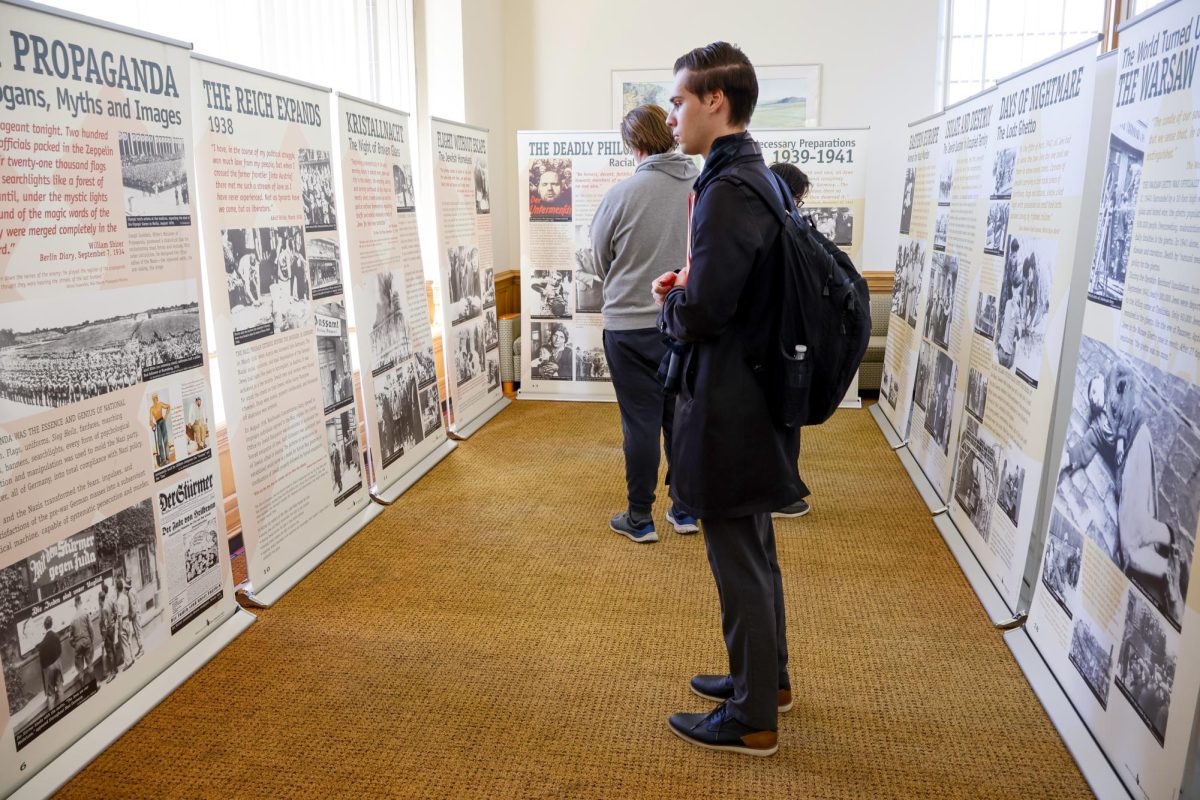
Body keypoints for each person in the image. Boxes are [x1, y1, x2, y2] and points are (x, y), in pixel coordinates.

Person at [653, 41, 804, 757]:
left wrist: (673, 300)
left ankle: (752, 720)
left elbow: (707, 310)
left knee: (737, 557)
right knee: (756, 550)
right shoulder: (757, 177)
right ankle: (764, 683)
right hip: (753, 393)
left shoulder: (727, 187)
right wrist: (692, 286)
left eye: (680, 99)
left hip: (729, 404)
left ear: (717, 101)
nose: (673, 112)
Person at [589, 104, 700, 543]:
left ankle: (640, 518)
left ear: (633, 144)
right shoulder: (703, 186)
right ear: (670, 133)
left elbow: (600, 259)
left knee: (639, 421)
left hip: (628, 324)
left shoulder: (621, 194)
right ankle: (685, 510)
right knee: (682, 418)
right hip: (684, 321)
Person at [765, 162, 817, 520]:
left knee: (783, 416)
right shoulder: (786, 229)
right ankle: (779, 494)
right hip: (781, 340)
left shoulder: (769, 225)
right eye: (797, 198)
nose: (798, 204)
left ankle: (782, 489)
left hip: (779, 339)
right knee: (782, 418)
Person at [38, 616, 64, 709]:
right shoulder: (56, 636)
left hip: (48, 668)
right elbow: (60, 651)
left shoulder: (42, 644)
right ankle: (64, 710)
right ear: (51, 624)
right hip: (57, 663)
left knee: (51, 694)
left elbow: (42, 662)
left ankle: (53, 715)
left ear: (45, 627)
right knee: (60, 687)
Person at [69, 595, 94, 686]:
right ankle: (94, 686)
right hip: (87, 641)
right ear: (81, 602)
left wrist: (74, 645)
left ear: (75, 605)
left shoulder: (72, 620)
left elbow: (70, 638)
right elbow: (91, 627)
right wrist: (91, 638)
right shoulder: (85, 613)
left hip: (78, 645)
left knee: (80, 670)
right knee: (89, 664)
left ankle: (84, 690)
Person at [148, 393, 172, 467]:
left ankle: (168, 458)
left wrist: (166, 416)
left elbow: (168, 406)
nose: (155, 399)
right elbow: (150, 420)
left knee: (165, 440)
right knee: (159, 443)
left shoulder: (160, 404)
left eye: (156, 398)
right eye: (153, 398)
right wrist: (152, 424)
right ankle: (163, 459)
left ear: (157, 398)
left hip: (162, 421)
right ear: (152, 400)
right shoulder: (151, 409)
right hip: (157, 424)